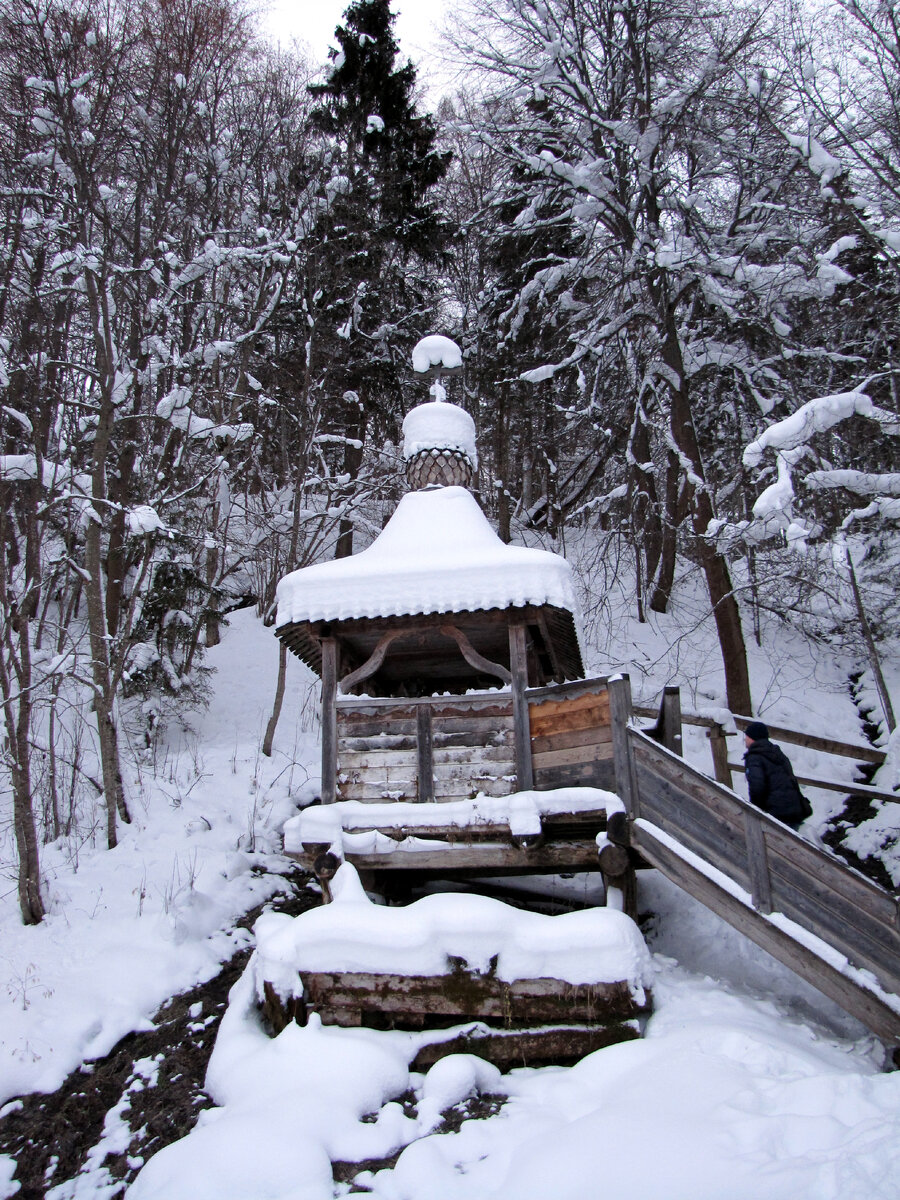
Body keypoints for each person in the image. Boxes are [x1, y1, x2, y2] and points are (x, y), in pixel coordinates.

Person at [743, 721, 811, 831]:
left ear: (753, 738)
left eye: (747, 736)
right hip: (794, 808)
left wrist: (757, 811)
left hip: (776, 812)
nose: (745, 739)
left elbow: (757, 787)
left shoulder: (755, 757)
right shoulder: (776, 753)